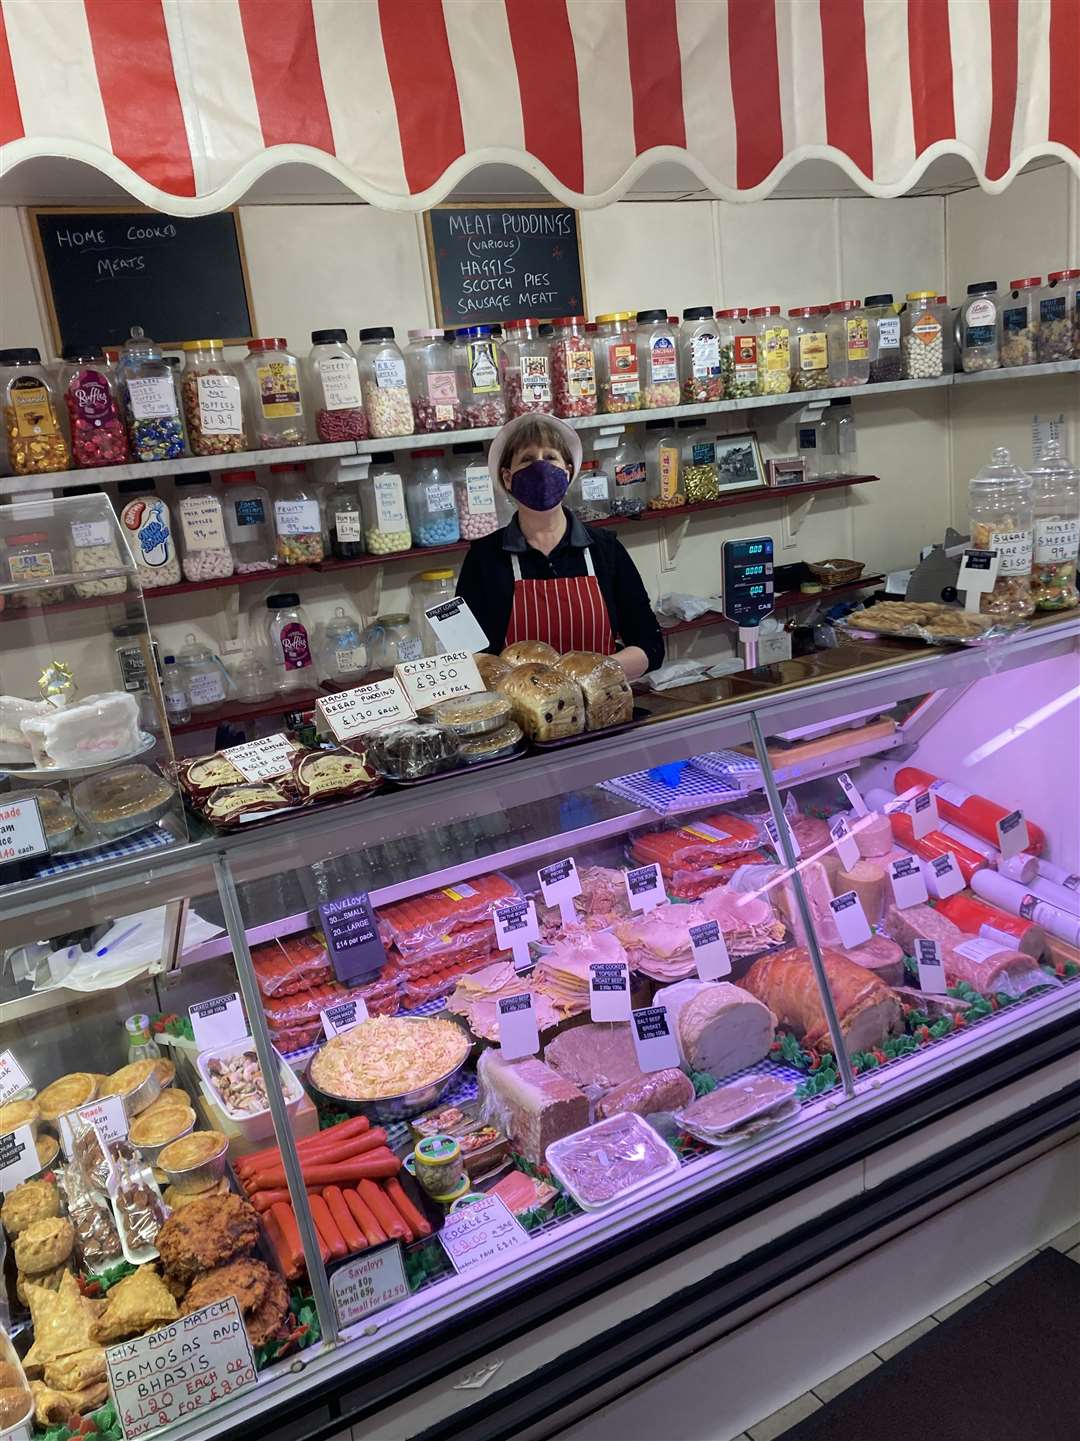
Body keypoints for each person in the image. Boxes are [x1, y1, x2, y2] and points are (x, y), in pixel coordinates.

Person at [456, 413, 664, 679]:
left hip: (603, 710)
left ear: (567, 471)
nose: (540, 468)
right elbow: (465, 656)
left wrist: (590, 675)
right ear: (507, 478)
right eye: (528, 459)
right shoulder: (484, 558)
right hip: (521, 715)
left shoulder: (605, 550)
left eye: (550, 457)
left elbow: (651, 646)